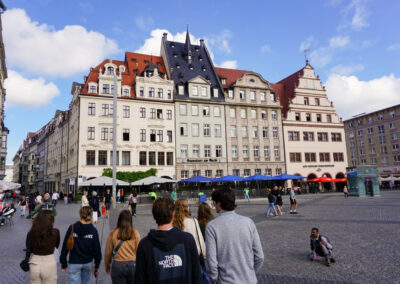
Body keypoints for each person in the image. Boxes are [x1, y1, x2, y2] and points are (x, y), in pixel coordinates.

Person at [135, 197, 202, 283]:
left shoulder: (144, 245)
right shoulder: (188, 240)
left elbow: (139, 280)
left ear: (154, 216)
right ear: (173, 215)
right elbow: (197, 275)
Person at [205, 188, 264, 284]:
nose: (214, 206)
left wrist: (215, 280)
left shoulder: (212, 226)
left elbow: (211, 263)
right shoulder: (248, 222)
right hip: (249, 280)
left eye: (214, 203)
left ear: (219, 203)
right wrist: (250, 273)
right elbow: (259, 257)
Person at [60, 206, 102, 284]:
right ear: (91, 215)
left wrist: (63, 262)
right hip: (87, 262)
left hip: (74, 262)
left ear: (80, 214)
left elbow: (65, 246)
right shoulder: (93, 230)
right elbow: (96, 249)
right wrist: (97, 265)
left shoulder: (72, 228)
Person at [105, 210, 140, 283]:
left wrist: (107, 265)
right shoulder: (135, 233)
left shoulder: (113, 233)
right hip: (132, 265)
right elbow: (139, 252)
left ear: (119, 220)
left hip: (118, 265)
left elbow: (108, 252)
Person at [25, 210, 60, 284]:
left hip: (34, 263)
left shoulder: (31, 233)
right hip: (49, 263)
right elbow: (56, 245)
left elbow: (29, 248)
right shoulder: (55, 232)